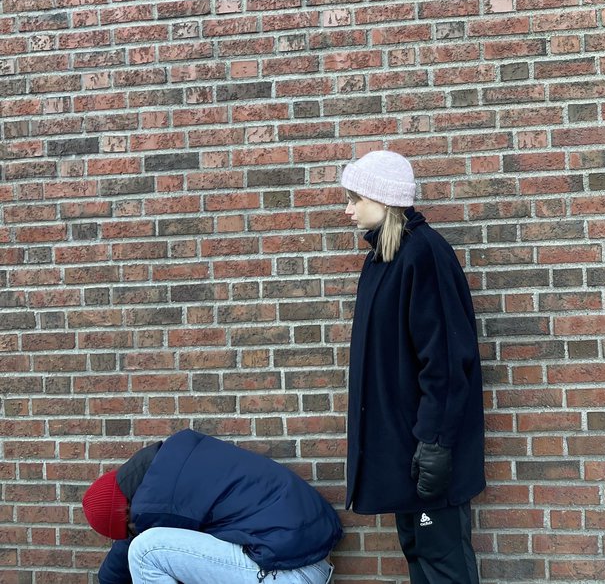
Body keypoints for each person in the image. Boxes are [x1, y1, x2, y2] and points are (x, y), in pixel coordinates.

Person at [341, 149, 486, 584]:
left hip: (427, 451)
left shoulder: (423, 255)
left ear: (382, 199)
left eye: (355, 198)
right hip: (406, 453)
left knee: (443, 561)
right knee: (419, 553)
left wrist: (435, 443)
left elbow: (443, 359)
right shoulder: (383, 258)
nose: (347, 209)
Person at [80, 428, 341, 584]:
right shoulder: (172, 463)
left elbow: (136, 543)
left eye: (126, 529)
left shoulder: (159, 500)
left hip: (290, 572)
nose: (130, 533)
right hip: (306, 559)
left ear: (123, 512)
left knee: (145, 550)